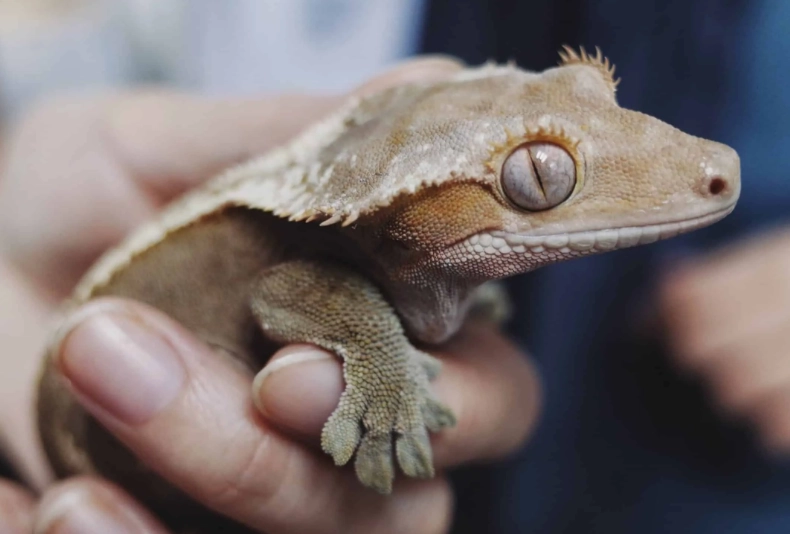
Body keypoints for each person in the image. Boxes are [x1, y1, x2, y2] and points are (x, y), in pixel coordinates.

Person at [3, 0, 790, 533]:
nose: (708, 169)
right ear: (409, 220)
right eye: (543, 179)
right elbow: (289, 288)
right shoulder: (331, 238)